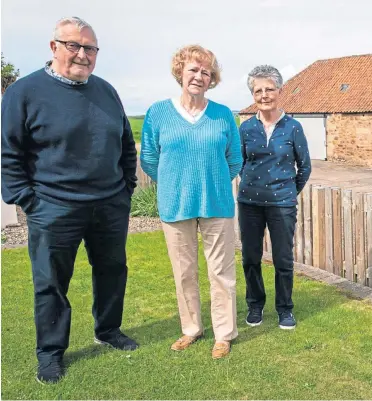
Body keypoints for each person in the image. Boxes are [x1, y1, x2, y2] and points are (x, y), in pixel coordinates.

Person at [1, 17, 139, 384]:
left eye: (90, 48)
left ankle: (108, 330)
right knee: (50, 283)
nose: (82, 54)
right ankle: (50, 353)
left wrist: (125, 187)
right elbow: (9, 153)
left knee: (112, 271)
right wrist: (27, 200)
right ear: (53, 47)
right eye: (73, 46)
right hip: (53, 206)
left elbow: (126, 142)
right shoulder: (24, 92)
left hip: (109, 203)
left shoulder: (106, 91)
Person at [141, 45, 242, 359]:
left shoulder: (223, 114)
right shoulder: (158, 112)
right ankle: (192, 329)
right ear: (180, 72)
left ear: (212, 79)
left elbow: (235, 160)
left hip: (218, 205)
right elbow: (148, 158)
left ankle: (224, 334)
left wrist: (209, 185)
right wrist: (176, 184)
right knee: (184, 272)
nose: (199, 76)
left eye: (206, 72)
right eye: (193, 70)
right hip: (175, 205)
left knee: (221, 272)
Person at [238, 65, 311, 330]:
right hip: (249, 204)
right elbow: (240, 162)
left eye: (269, 89)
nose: (264, 94)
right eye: (258, 90)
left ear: (279, 91)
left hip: (282, 205)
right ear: (253, 94)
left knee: (282, 258)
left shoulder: (293, 127)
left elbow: (304, 167)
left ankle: (285, 309)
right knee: (250, 257)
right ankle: (255, 306)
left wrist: (288, 191)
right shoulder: (245, 128)